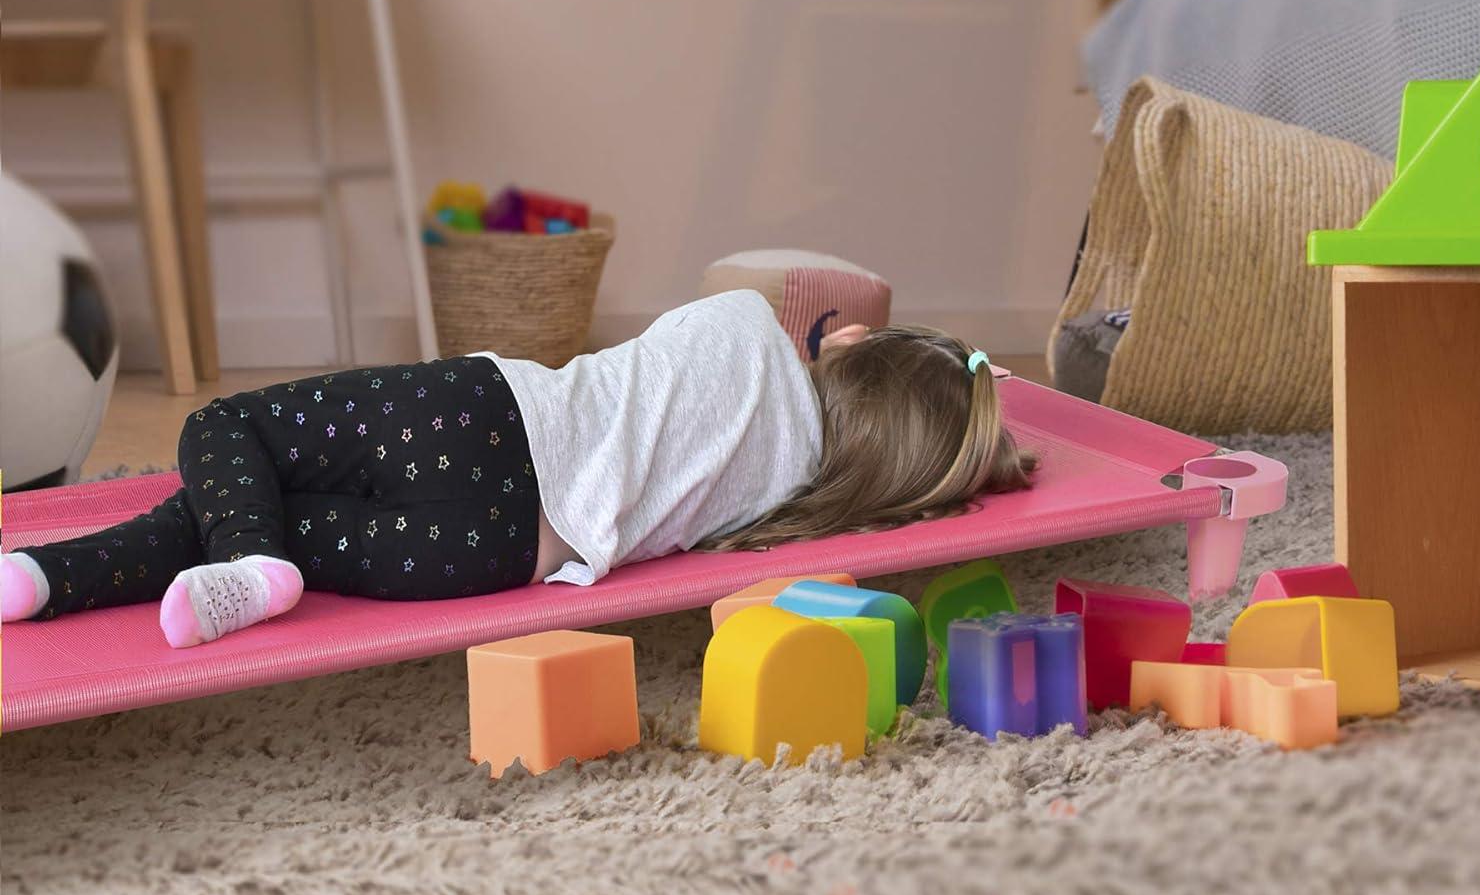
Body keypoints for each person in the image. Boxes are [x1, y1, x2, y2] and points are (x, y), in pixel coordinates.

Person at [0, 291, 1034, 647]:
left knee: (229, 434)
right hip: (494, 551)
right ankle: (50, 580)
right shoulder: (805, 508)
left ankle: (242, 560)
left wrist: (828, 332)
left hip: (483, 421)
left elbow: (771, 308)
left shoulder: (746, 325)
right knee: (252, 514)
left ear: (851, 341)